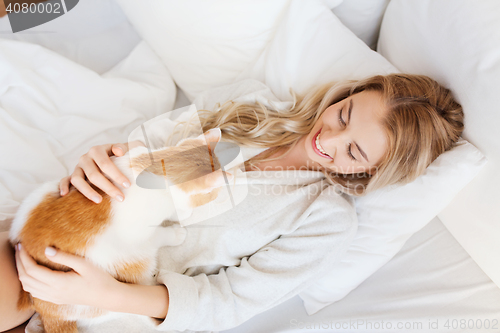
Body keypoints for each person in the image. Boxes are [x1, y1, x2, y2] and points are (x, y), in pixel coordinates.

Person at [0, 74, 464, 332]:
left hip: (118, 303)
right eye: (343, 116)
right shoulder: (251, 111)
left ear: (369, 172)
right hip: (70, 226)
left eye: (355, 152)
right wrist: (101, 159)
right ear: (348, 95)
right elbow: (145, 154)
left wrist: (103, 295)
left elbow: (228, 303)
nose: (331, 140)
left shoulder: (324, 220)